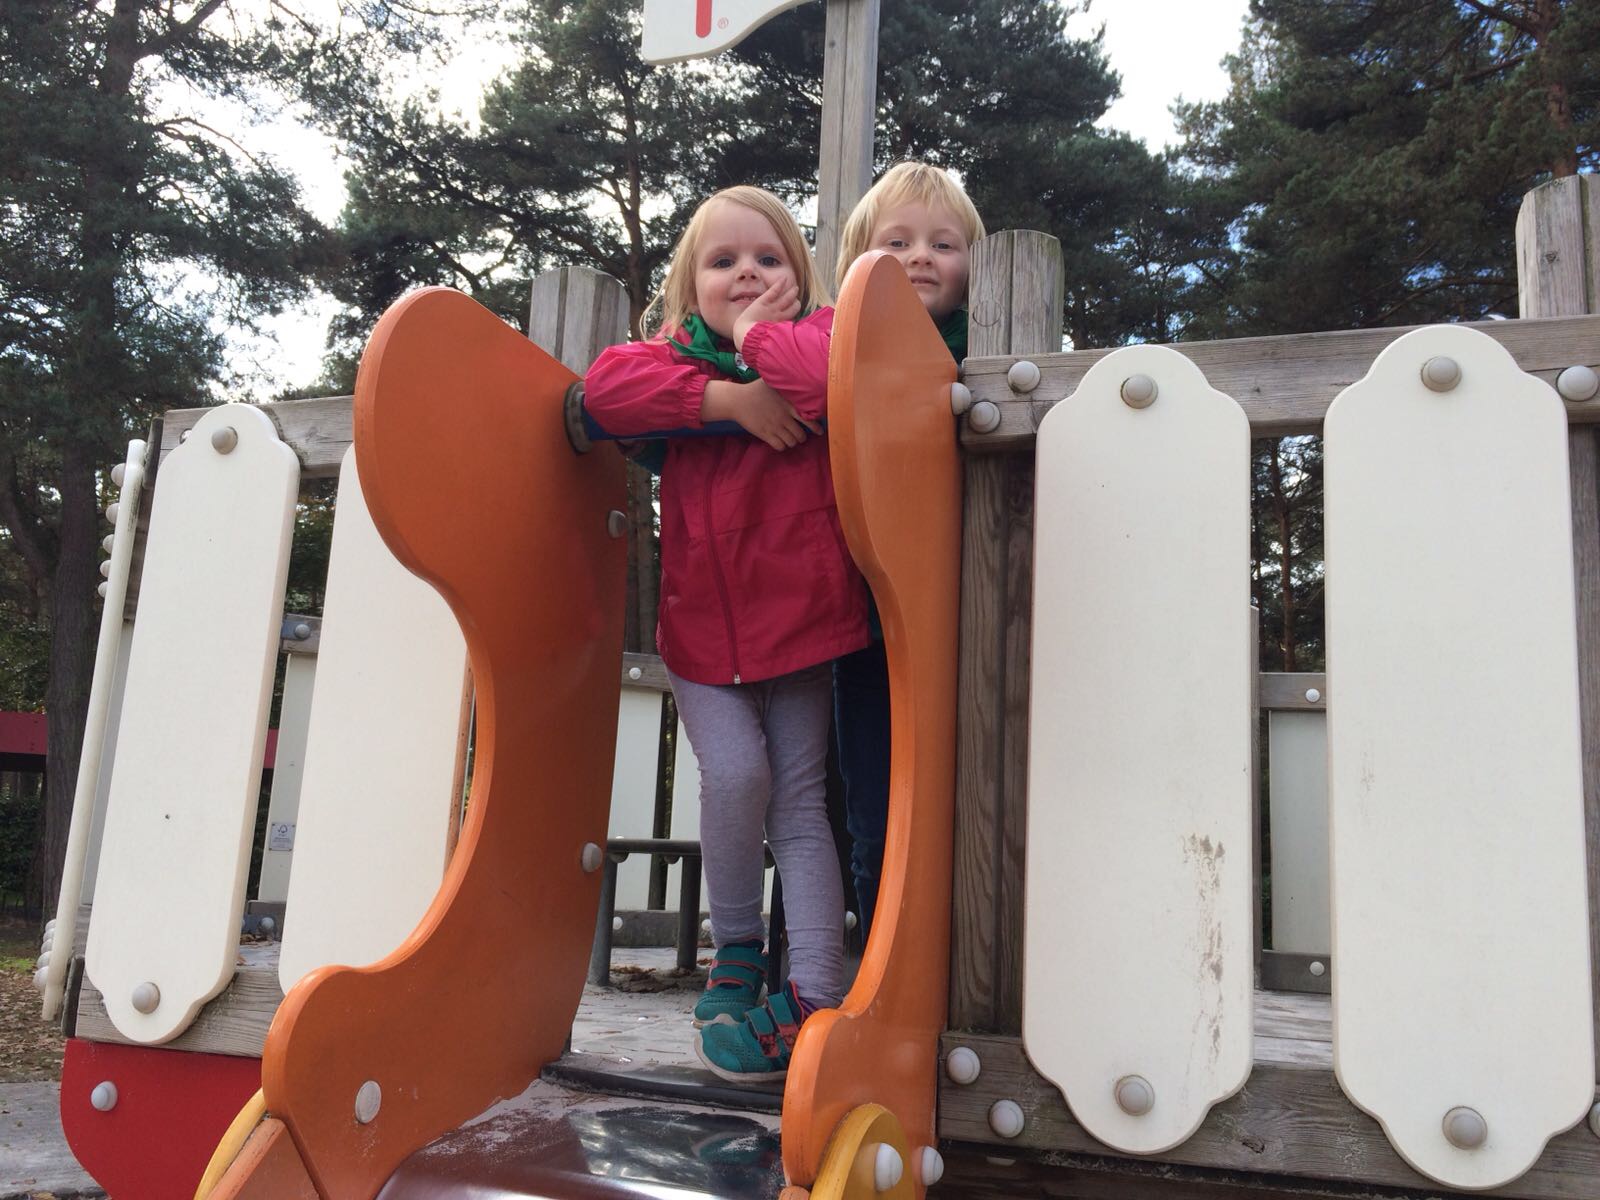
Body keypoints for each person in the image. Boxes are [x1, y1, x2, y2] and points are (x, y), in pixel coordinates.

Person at [583, 186, 866, 1082]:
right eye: (723, 262)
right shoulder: (671, 367)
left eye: (768, 259)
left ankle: (817, 991)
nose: (747, 271)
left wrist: (755, 344)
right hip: (704, 632)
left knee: (800, 805)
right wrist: (727, 402)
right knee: (737, 774)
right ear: (689, 286)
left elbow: (818, 381)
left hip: (803, 625)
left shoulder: (817, 340)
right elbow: (605, 390)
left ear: (801, 276)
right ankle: (738, 946)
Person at [830, 162, 985, 944]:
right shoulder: (834, 355)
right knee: (867, 795)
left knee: (969, 796)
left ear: (975, 267)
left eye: (944, 243)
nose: (922, 255)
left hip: (969, 619)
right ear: (860, 261)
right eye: (898, 242)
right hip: (861, 624)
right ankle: (866, 961)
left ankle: (951, 959)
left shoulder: (989, 365)